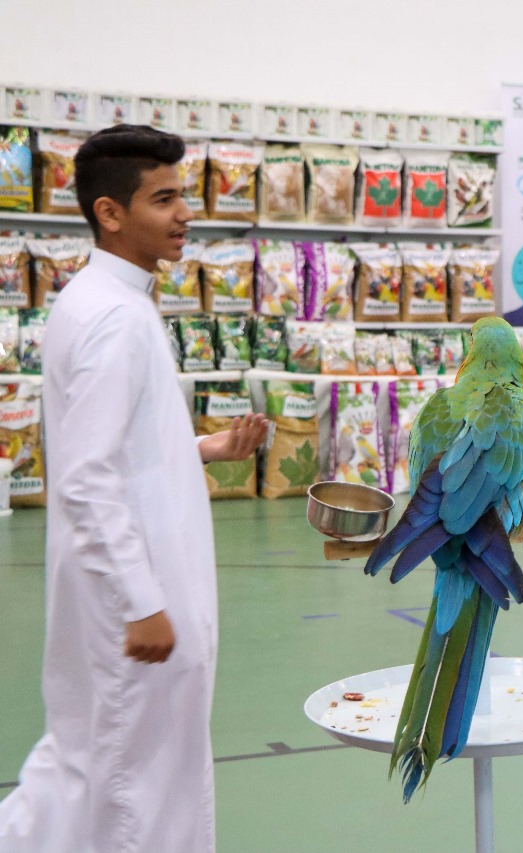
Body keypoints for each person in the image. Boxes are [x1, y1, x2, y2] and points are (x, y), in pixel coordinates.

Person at [0, 125, 268, 853]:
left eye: (184, 195)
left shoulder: (103, 300)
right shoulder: (114, 317)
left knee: (85, 767)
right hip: (134, 594)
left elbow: (112, 447)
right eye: (165, 198)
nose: (185, 214)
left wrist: (204, 448)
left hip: (124, 587)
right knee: (138, 783)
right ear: (110, 213)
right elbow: (86, 478)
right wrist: (142, 602)